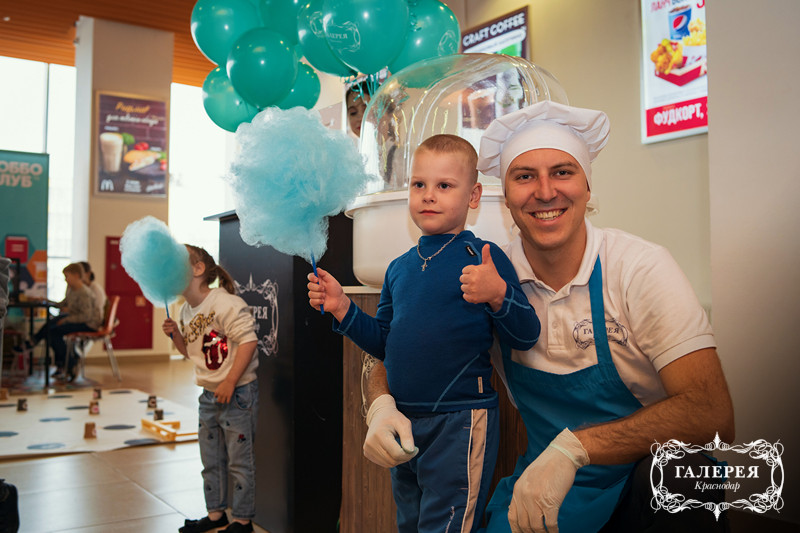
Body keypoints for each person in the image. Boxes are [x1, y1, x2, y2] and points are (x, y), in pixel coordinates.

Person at [363, 100, 736, 532]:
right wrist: (380, 403)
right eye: (525, 176)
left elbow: (712, 413)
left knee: (685, 477)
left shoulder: (639, 268)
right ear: (505, 198)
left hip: (641, 482)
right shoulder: (485, 273)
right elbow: (395, 345)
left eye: (562, 172)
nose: (544, 192)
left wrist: (575, 449)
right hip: (542, 493)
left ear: (587, 186)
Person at [308, 134, 541, 533]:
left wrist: (499, 294)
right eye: (419, 184)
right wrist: (342, 307)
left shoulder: (484, 258)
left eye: (444, 185)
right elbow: (383, 341)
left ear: (473, 196)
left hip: (461, 421)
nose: (428, 195)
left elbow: (526, 335)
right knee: (411, 523)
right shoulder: (398, 268)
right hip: (403, 421)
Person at [162, 244, 259, 533]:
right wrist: (176, 336)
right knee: (211, 459)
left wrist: (230, 381)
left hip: (237, 394)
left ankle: (242, 521)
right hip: (208, 394)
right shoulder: (185, 310)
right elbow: (190, 353)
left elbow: (248, 341)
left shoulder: (225, 303)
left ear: (198, 269)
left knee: (240, 462)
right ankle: (216, 514)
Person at [29, 263, 101, 381]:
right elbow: (62, 304)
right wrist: (46, 301)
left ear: (76, 275)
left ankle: (69, 363)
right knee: (52, 326)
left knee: (53, 332)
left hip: (88, 324)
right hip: (77, 320)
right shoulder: (72, 290)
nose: (65, 280)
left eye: (67, 276)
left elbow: (86, 317)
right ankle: (65, 362)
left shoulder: (84, 293)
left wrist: (66, 320)